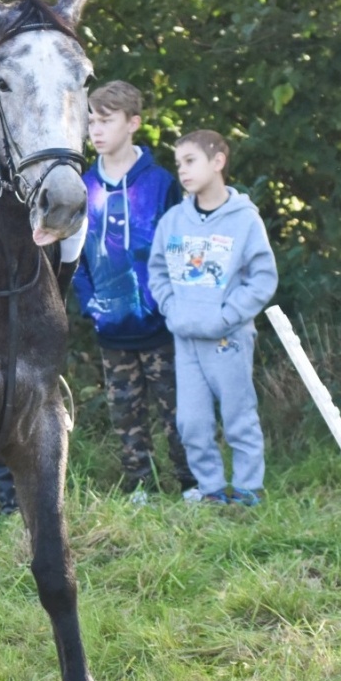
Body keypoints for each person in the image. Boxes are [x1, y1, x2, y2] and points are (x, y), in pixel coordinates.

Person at [73, 82, 195, 498]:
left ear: (133, 123)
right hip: (111, 325)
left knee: (178, 411)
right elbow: (74, 256)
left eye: (106, 121)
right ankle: (141, 485)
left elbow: (179, 245)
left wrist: (173, 304)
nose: (96, 130)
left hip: (161, 324)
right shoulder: (82, 185)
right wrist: (91, 304)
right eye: (91, 120)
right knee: (124, 410)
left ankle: (193, 482)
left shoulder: (161, 183)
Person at [147, 130, 278, 506]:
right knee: (192, 423)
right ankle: (212, 490)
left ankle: (248, 489)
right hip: (186, 338)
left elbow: (263, 277)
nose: (182, 171)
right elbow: (157, 272)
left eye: (191, 161)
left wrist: (228, 316)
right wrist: (173, 309)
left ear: (218, 161)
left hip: (228, 340)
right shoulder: (173, 221)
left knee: (239, 416)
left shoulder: (244, 220)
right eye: (178, 164)